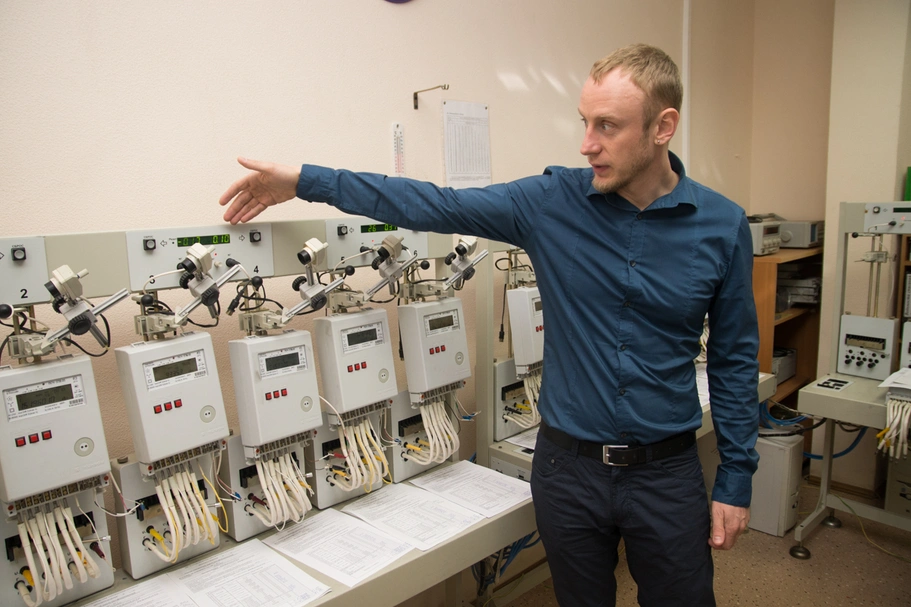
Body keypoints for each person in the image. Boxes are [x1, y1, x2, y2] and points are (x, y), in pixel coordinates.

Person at [219, 43, 759, 607]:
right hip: (568, 472)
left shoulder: (721, 226)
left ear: (662, 127)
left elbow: (734, 359)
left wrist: (736, 477)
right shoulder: (552, 203)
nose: (586, 143)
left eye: (607, 125)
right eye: (584, 122)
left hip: (666, 475)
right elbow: (433, 203)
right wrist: (304, 180)